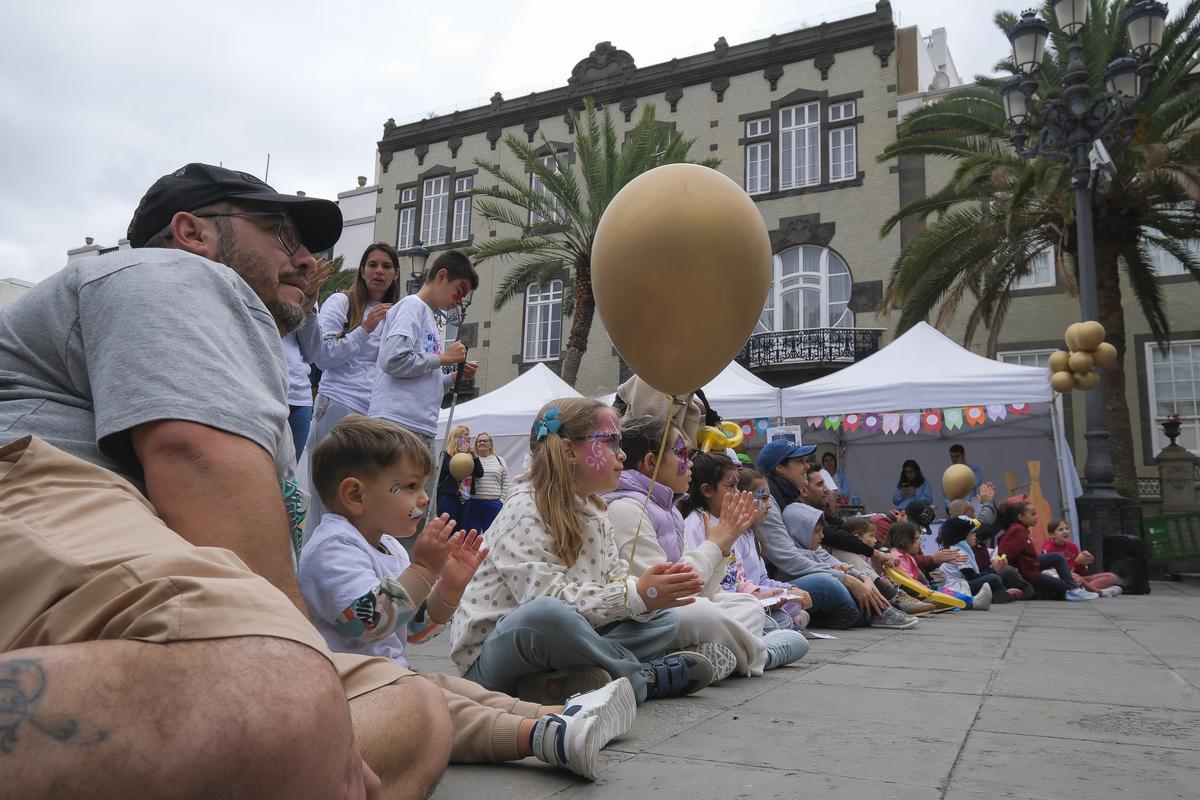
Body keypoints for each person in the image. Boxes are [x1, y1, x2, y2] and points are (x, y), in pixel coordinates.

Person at [0, 163, 450, 798]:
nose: (304, 260)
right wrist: (304, 686)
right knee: (291, 692)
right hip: (39, 490)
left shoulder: (239, 337)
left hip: (113, 558)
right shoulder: (175, 274)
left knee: (413, 707)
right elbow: (197, 461)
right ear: (192, 232)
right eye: (279, 234)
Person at [298, 415, 635, 780]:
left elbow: (411, 631)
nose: (424, 498)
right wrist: (424, 570)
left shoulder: (390, 548)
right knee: (448, 712)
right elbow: (368, 623)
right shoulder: (332, 548)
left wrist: (447, 589)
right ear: (355, 495)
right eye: (410, 486)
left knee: (465, 691)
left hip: (391, 679)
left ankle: (559, 714)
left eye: (423, 486)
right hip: (353, 693)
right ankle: (545, 738)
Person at [449, 398, 718, 705]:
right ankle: (641, 677)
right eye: (610, 441)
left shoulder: (596, 511)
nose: (622, 453)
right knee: (546, 614)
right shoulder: (525, 511)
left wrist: (646, 596)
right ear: (568, 450)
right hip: (494, 660)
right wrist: (635, 595)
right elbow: (547, 602)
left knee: (664, 620)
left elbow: (613, 579)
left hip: (565, 641)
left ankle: (557, 683)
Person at [603, 417, 793, 679]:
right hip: (644, 620)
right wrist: (715, 544)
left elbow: (703, 591)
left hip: (674, 609)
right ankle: (760, 655)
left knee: (746, 604)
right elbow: (663, 596)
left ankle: (708, 657)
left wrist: (722, 547)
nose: (690, 462)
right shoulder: (626, 508)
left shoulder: (668, 509)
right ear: (650, 463)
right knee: (701, 612)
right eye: (681, 453)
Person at [678, 453, 811, 669]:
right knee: (776, 623)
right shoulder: (694, 524)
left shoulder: (731, 525)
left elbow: (738, 578)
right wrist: (755, 598)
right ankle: (755, 654)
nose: (738, 494)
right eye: (731, 487)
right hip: (713, 604)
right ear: (707, 490)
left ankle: (749, 651)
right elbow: (703, 586)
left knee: (781, 619)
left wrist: (766, 594)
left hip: (737, 602)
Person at [305, 242, 400, 529]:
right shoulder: (341, 302)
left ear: (396, 274)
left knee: (360, 505)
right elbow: (322, 356)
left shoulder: (398, 312)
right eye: (372, 265)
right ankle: (312, 572)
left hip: (375, 417)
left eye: (386, 266)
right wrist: (364, 329)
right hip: (338, 406)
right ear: (361, 270)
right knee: (328, 502)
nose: (379, 271)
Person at [369, 249, 479, 489]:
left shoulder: (431, 317)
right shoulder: (412, 306)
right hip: (398, 423)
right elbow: (393, 360)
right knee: (401, 512)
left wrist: (452, 377)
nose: (459, 300)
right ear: (441, 276)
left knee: (414, 513)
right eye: (459, 290)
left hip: (417, 425)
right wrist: (443, 358)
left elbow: (425, 375)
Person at [752, 440, 885, 629]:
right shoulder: (770, 502)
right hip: (780, 580)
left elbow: (819, 547)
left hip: (794, 576)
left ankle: (883, 599)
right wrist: (845, 578)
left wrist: (858, 576)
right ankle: (880, 606)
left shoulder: (790, 499)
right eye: (799, 461)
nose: (806, 466)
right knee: (829, 584)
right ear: (780, 468)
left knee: (848, 581)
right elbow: (789, 558)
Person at [782, 503, 919, 629]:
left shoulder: (814, 549)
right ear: (800, 531)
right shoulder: (791, 553)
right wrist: (843, 575)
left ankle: (877, 609)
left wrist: (862, 577)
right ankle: (877, 611)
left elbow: (831, 560)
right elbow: (815, 571)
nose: (822, 535)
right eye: (817, 531)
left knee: (851, 581)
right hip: (798, 592)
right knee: (831, 583)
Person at [735, 467, 815, 634]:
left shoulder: (752, 536)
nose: (769, 506)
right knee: (783, 618)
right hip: (745, 603)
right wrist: (782, 594)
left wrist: (791, 589)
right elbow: (739, 587)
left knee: (796, 604)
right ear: (743, 497)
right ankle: (789, 625)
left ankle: (789, 624)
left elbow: (763, 579)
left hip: (761, 601)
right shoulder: (734, 537)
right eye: (764, 499)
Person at [996, 501, 1097, 601]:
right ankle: (1071, 589)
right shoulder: (1017, 530)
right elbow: (1003, 552)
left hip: (1031, 566)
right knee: (1063, 587)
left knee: (1057, 557)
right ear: (1021, 517)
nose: (1036, 517)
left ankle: (1073, 589)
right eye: (1033, 514)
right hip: (1028, 573)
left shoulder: (1022, 529)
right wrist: (1008, 569)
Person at [1042, 519, 1123, 597]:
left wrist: (1084, 563)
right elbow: (1053, 573)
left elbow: (1082, 573)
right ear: (1052, 535)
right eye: (1061, 530)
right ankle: (1100, 592)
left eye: (1067, 528)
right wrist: (1076, 562)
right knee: (1075, 577)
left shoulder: (1072, 546)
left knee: (1111, 576)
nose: (1066, 531)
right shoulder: (1048, 548)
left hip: (1079, 580)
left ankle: (1085, 590)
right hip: (1061, 579)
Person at [436, 424, 483, 522]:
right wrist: (461, 454)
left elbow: (480, 473)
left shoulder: (470, 455)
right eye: (466, 435)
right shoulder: (446, 454)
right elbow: (454, 472)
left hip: (465, 497)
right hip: (449, 495)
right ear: (457, 437)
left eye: (469, 435)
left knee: (461, 529)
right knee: (447, 527)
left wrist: (475, 457)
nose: (469, 437)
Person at [465, 432, 510, 534]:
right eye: (479, 441)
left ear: (491, 444)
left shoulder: (499, 460)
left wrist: (501, 500)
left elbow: (506, 481)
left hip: (494, 504)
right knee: (472, 538)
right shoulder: (470, 460)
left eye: (485, 441)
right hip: (473, 504)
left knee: (492, 537)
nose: (481, 443)